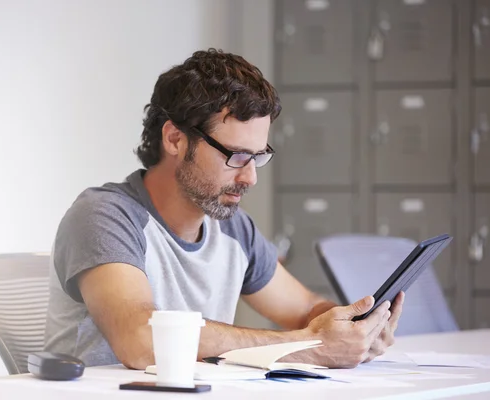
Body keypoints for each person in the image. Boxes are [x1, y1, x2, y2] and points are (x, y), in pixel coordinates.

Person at [43, 48, 404, 370]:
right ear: (174, 139)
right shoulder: (103, 217)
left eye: (258, 158)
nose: (250, 178)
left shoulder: (232, 228)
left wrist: (354, 331)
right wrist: (307, 347)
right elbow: (141, 340)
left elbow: (305, 309)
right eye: (236, 156)